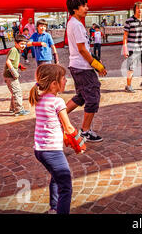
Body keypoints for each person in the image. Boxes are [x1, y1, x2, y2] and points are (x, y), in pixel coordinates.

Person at [29, 64, 84, 214]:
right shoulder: (57, 102)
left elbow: (52, 122)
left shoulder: (39, 99)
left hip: (39, 150)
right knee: (66, 187)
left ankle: (54, 208)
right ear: (54, 84)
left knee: (56, 176)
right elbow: (68, 127)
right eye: (63, 78)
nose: (66, 81)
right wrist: (80, 143)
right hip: (52, 151)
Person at [65, 0, 107, 142]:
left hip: (78, 65)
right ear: (75, 9)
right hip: (82, 68)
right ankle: (85, 131)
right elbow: (82, 49)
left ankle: (57, 117)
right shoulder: (76, 24)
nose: (87, 9)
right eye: (84, 6)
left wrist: (94, 59)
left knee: (81, 96)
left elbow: (84, 49)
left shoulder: (74, 23)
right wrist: (96, 65)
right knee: (93, 98)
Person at [122, 1, 142, 93]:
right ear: (135, 9)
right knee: (131, 68)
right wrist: (125, 49)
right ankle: (128, 85)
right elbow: (125, 36)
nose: (140, 9)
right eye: (138, 8)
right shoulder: (129, 21)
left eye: (141, 8)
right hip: (132, 48)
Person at [3, 34, 30, 116]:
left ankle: (13, 108)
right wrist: (14, 72)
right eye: (21, 44)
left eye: (24, 44)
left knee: (14, 92)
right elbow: (8, 61)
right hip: (10, 75)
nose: (23, 46)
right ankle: (18, 110)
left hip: (10, 75)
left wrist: (19, 66)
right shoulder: (14, 50)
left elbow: (14, 61)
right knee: (17, 92)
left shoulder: (17, 50)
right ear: (16, 43)